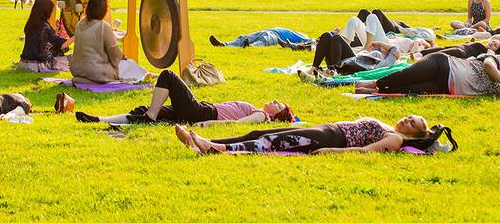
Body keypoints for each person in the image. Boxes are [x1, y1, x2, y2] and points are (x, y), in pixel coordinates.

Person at [74, 69, 295, 126]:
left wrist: (207, 124)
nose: (274, 101)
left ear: (277, 114)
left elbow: (237, 123)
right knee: (144, 110)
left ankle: (151, 115)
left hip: (202, 113)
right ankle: (99, 120)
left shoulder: (261, 116)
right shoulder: (258, 109)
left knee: (168, 76)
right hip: (196, 112)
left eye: (278, 104)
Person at [173, 114, 434, 156]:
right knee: (259, 131)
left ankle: (215, 149)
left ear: (416, 134)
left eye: (411, 122)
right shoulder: (391, 126)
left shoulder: (396, 138)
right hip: (326, 129)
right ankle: (202, 143)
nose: (406, 119)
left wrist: (332, 151)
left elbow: (365, 151)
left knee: (270, 143)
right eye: (409, 116)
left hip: (331, 139)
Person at [353, 52, 500, 96]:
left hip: (444, 87)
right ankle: (375, 83)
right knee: (406, 75)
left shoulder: (499, 90)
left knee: (409, 90)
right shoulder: (497, 61)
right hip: (443, 65)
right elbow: (487, 65)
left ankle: (375, 92)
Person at [69, 0, 122, 83]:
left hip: (77, 70)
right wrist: (122, 57)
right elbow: (115, 56)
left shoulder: (80, 24)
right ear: (104, 11)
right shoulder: (103, 26)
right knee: (128, 65)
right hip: (95, 71)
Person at [18, 0, 71, 72]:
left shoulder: (31, 23)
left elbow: (45, 40)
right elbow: (61, 45)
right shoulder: (44, 26)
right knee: (74, 61)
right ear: (46, 12)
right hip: (37, 65)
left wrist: (55, 32)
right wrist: (76, 35)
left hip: (24, 63)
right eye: (51, 11)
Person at [209, 26, 313, 49]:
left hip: (275, 36)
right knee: (243, 37)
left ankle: (251, 47)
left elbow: (311, 41)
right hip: (266, 31)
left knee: (264, 41)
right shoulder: (291, 31)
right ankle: (223, 45)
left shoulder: (300, 37)